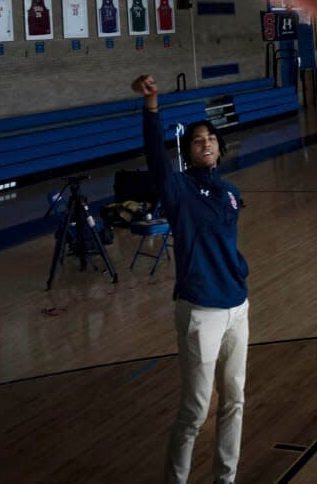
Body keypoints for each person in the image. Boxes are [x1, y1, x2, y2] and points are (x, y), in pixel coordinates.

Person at [130, 74, 250, 484]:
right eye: (199, 141)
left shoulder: (230, 192)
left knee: (235, 399)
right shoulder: (177, 189)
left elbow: (227, 243)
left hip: (237, 307)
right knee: (196, 410)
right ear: (188, 152)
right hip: (201, 310)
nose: (208, 144)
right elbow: (154, 156)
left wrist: (239, 270)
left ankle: (225, 478)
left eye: (212, 139)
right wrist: (152, 107)